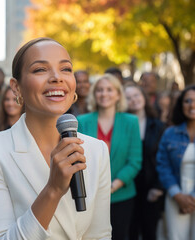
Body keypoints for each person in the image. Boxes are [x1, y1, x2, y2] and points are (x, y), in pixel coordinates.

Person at [0, 37, 112, 239]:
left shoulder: (97, 150)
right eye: (40, 70)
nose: (56, 77)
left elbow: (101, 234)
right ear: (16, 88)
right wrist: (52, 190)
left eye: (65, 69)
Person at [77, 74, 142, 240]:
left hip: (122, 195)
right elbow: (79, 157)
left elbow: (134, 161)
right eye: (99, 90)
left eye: (109, 90)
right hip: (89, 195)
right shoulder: (82, 121)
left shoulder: (131, 121)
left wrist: (112, 187)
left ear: (118, 94)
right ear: (94, 94)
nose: (104, 94)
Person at [156, 85, 195, 240]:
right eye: (187, 101)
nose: (193, 105)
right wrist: (177, 195)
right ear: (181, 105)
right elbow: (163, 165)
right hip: (176, 195)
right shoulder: (170, 133)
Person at [124, 84, 166, 240]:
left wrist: (158, 187)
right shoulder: (121, 126)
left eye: (136, 95)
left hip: (151, 188)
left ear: (143, 97)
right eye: (128, 98)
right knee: (130, 232)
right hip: (127, 186)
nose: (133, 100)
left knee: (150, 232)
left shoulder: (158, 126)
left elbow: (165, 160)